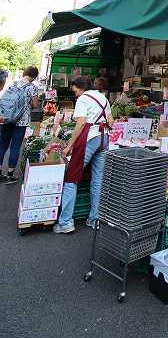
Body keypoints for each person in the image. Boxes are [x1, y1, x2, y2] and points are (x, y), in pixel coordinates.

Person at [54, 75, 114, 234]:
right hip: (104, 139)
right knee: (98, 179)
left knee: (71, 179)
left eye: (73, 87)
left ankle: (66, 222)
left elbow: (81, 122)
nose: (73, 91)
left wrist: (69, 146)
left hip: (90, 137)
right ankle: (94, 219)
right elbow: (111, 120)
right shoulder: (103, 98)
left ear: (79, 86)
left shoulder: (82, 99)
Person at [0, 66, 39, 183]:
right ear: (33, 77)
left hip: (7, 119)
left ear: (25, 73)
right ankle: (10, 175)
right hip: (21, 121)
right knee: (15, 147)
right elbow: (35, 105)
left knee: (2, 145)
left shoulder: (13, 83)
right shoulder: (32, 87)